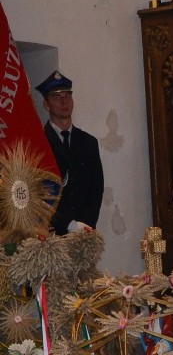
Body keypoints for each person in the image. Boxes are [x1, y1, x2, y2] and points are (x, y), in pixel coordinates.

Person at [35, 71, 104, 235]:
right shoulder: (39, 144)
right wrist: (69, 224)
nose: (64, 102)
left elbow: (96, 189)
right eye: (56, 98)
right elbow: (38, 193)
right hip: (52, 232)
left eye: (67, 96)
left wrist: (85, 225)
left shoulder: (88, 142)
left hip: (84, 234)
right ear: (46, 104)